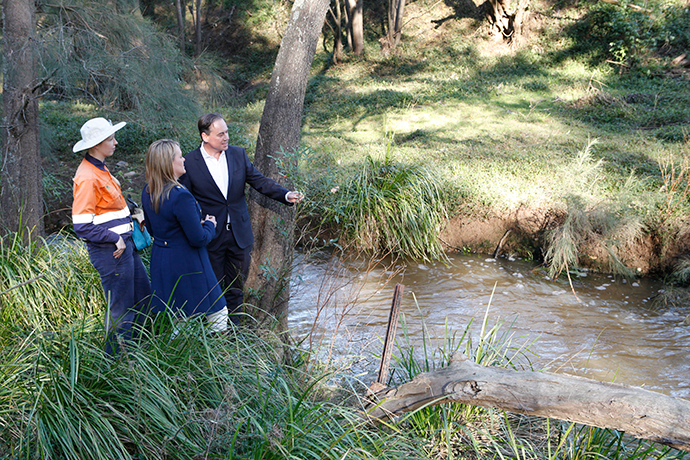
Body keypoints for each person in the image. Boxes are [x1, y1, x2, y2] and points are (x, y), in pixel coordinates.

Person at [179, 113, 304, 325]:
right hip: (210, 237)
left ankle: (235, 336)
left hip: (239, 235)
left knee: (236, 288)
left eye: (227, 132)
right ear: (205, 136)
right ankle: (215, 336)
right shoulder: (189, 162)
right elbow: (185, 199)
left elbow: (259, 181)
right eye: (220, 134)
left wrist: (285, 194)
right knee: (213, 287)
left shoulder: (238, 154)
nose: (226, 137)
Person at [72, 117, 152, 355]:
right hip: (111, 251)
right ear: (97, 144)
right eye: (110, 138)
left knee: (142, 297)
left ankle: (135, 354)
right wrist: (114, 238)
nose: (115, 142)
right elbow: (81, 226)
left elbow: (107, 208)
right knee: (120, 309)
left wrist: (133, 213)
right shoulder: (87, 176)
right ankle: (116, 364)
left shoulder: (99, 167)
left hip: (125, 246)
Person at [141, 139, 228, 333]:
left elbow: (154, 231)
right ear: (169, 164)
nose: (184, 160)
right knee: (218, 313)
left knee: (181, 316)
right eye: (179, 157)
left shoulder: (148, 192)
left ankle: (181, 359)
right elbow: (198, 239)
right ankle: (217, 358)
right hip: (188, 263)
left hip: (162, 260)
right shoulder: (181, 195)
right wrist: (211, 226)